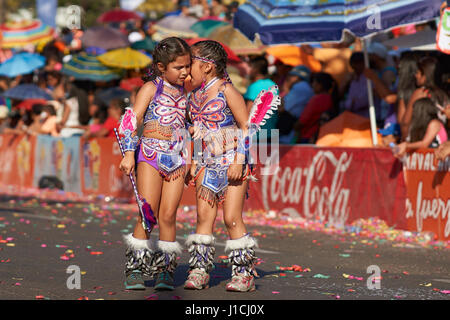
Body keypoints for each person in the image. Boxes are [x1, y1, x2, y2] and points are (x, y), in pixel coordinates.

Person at [184, 40, 258, 292]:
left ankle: (244, 274)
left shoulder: (227, 90)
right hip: (206, 162)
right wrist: (194, 160)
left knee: (231, 218)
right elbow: (199, 132)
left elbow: (247, 127)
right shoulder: (193, 95)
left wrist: (239, 160)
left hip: (232, 163)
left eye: (190, 62)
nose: (185, 68)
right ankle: (200, 270)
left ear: (206, 66)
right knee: (203, 217)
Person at [118, 37, 191, 291]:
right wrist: (128, 153)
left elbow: (195, 124)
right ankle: (135, 268)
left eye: (187, 67)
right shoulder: (151, 88)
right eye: (178, 68)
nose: (184, 72)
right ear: (162, 67)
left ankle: (165, 270)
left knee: (168, 215)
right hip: (149, 155)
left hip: (178, 158)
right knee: (147, 215)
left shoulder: (188, 90)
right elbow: (131, 120)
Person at [400, 56, 449, 141]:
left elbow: (406, 122)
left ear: (425, 75)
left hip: (421, 141)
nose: (416, 76)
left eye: (418, 72)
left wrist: (404, 140)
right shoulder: (444, 95)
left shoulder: (421, 93)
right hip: (441, 139)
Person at [293, 72, 338, 143]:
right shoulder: (330, 98)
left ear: (320, 85)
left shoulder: (317, 99)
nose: (312, 85)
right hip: (322, 136)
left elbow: (302, 121)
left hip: (309, 136)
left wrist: (294, 126)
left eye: (314, 82)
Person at [243, 56, 278, 141]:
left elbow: (248, 113)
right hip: (271, 133)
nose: (247, 70)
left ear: (255, 69)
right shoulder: (272, 84)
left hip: (256, 135)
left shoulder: (254, 87)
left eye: (249, 66)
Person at [277, 65, 313, 144]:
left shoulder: (300, 87)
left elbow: (282, 108)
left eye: (290, 76)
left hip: (288, 133)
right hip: (290, 130)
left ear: (297, 77)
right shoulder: (305, 87)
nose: (288, 78)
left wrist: (285, 90)